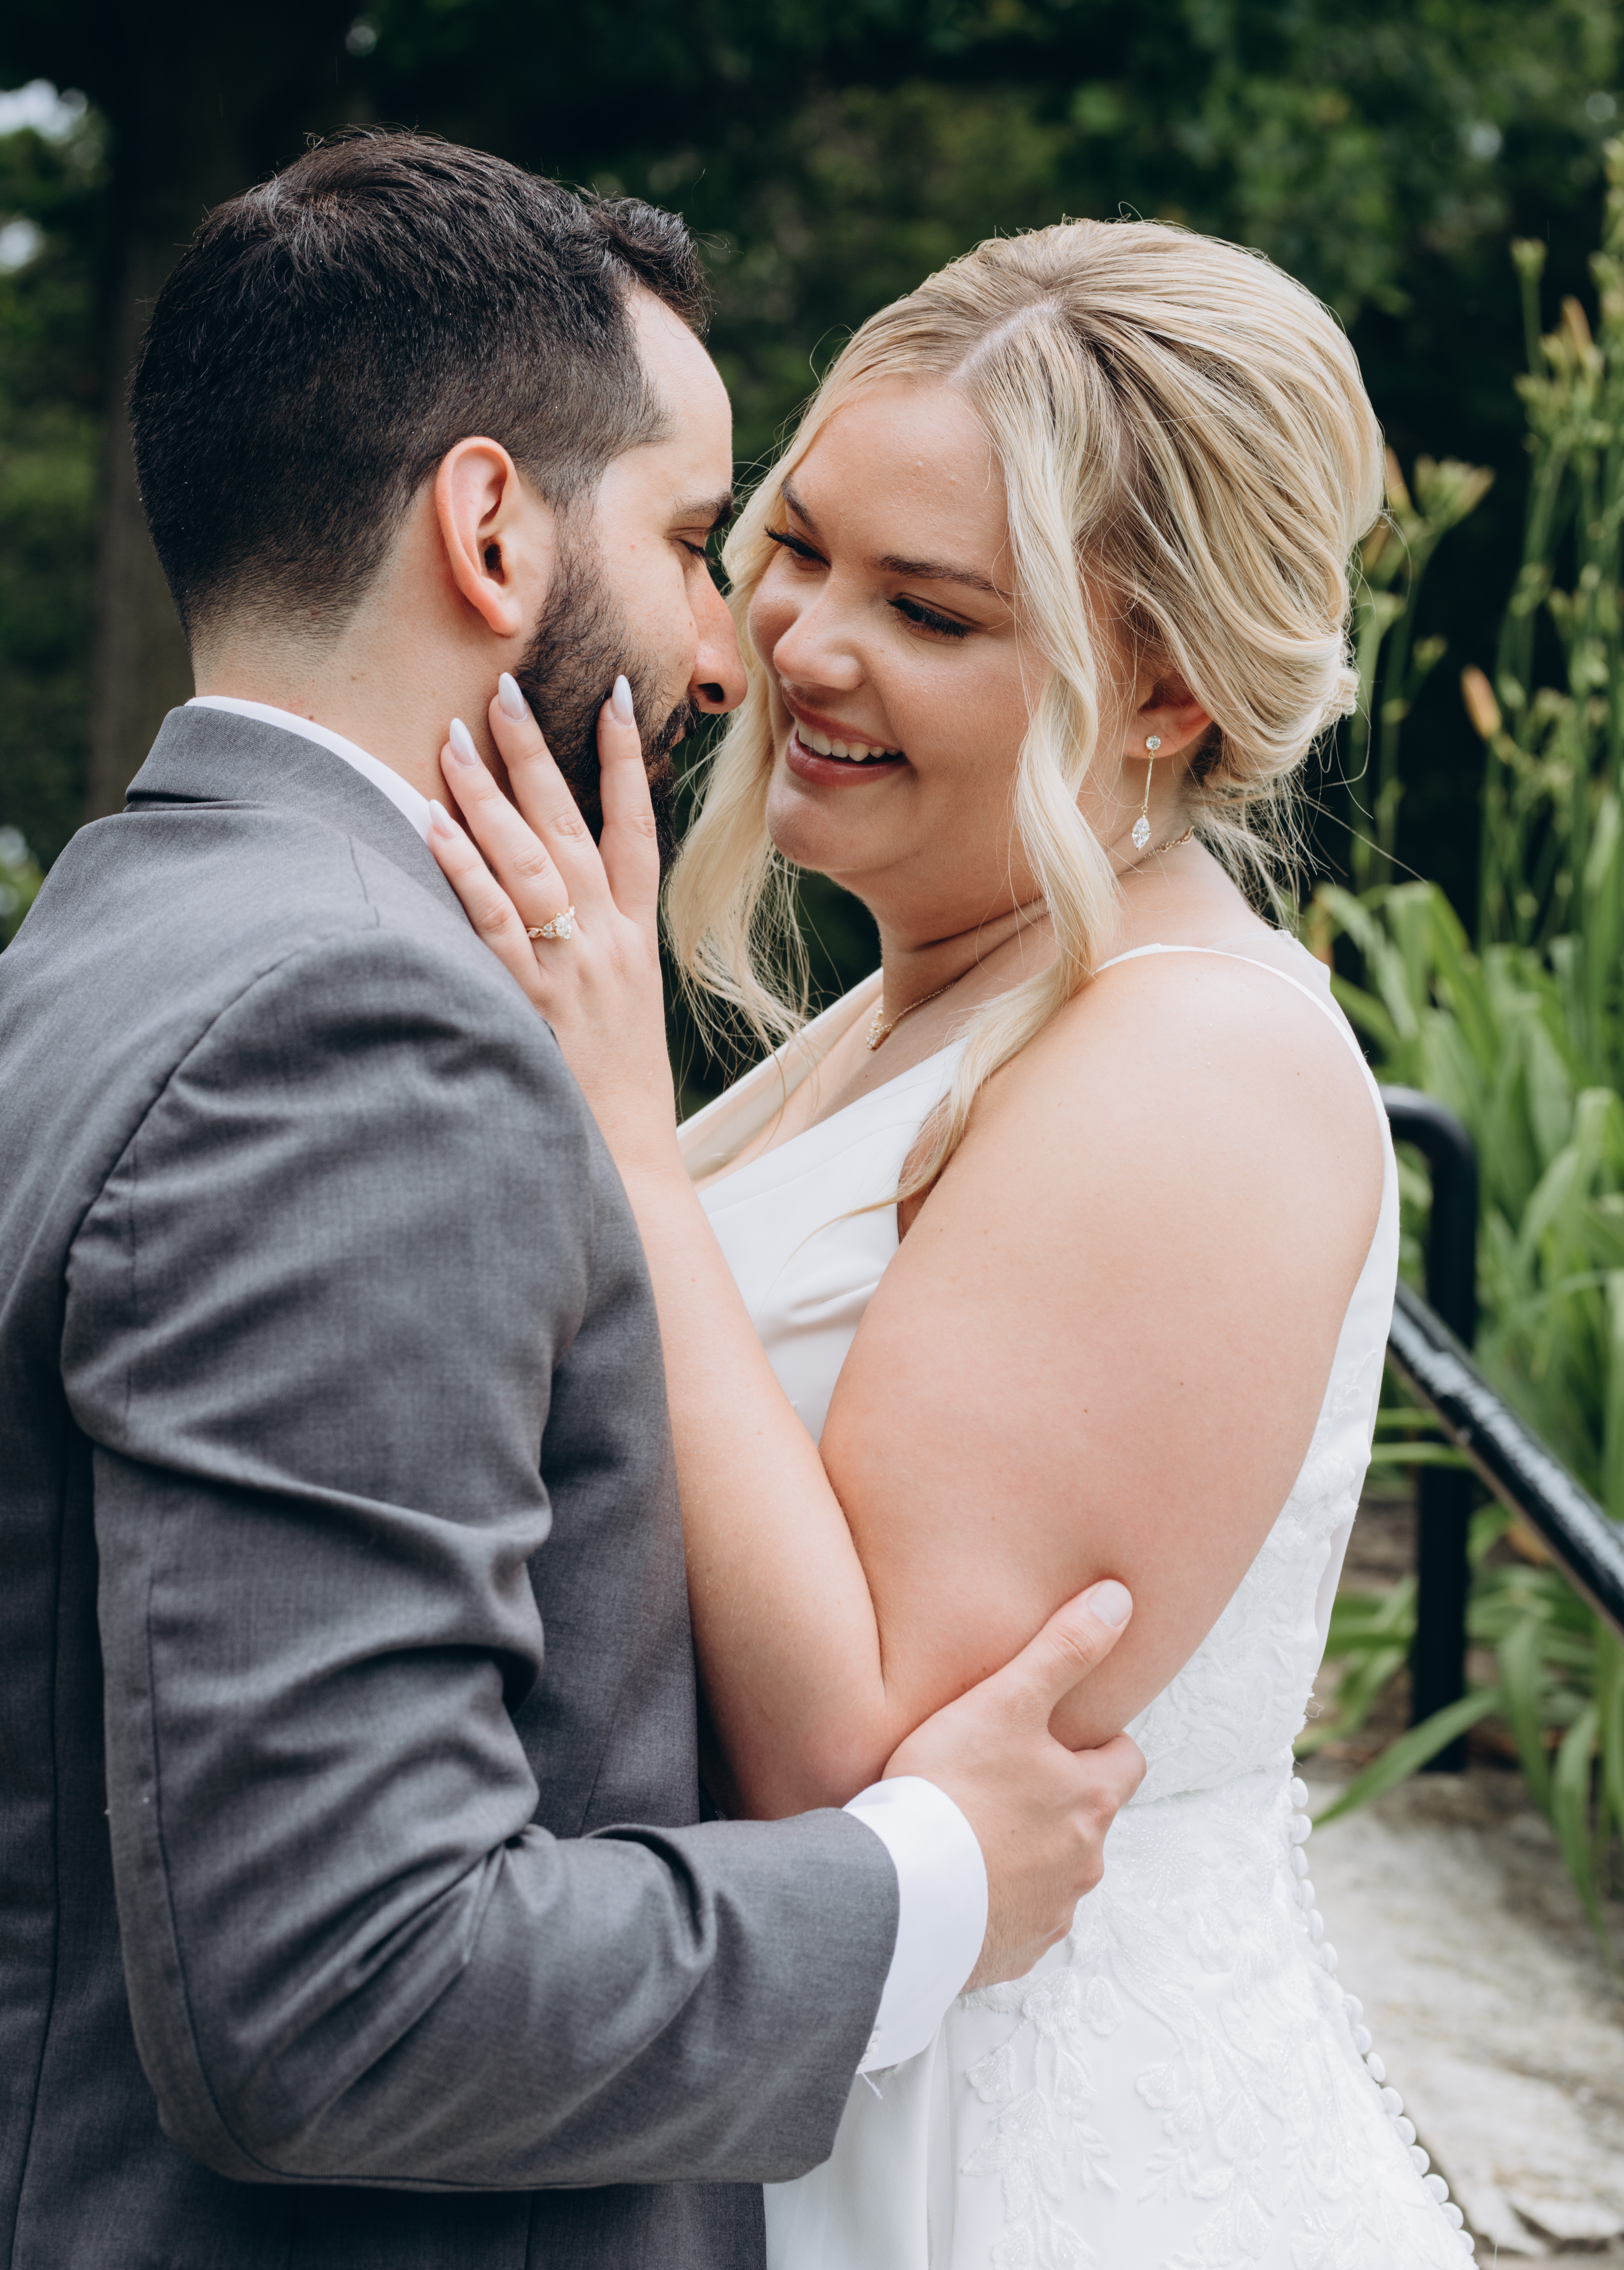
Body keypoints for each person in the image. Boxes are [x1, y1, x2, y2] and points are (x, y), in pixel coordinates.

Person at [0, 135, 1148, 2270]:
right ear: (492, 530)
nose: (728, 654)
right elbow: (342, 1999)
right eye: (700, 542)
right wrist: (932, 1882)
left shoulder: (99, 937)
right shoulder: (353, 1035)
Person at [429, 217, 1476, 2265]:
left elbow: (871, 1766)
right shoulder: (923, 1009)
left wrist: (622, 1141)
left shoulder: (1197, 1066)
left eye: (927, 609)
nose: (803, 644)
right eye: (799, 548)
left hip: (1001, 2165)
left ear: (1163, 689)